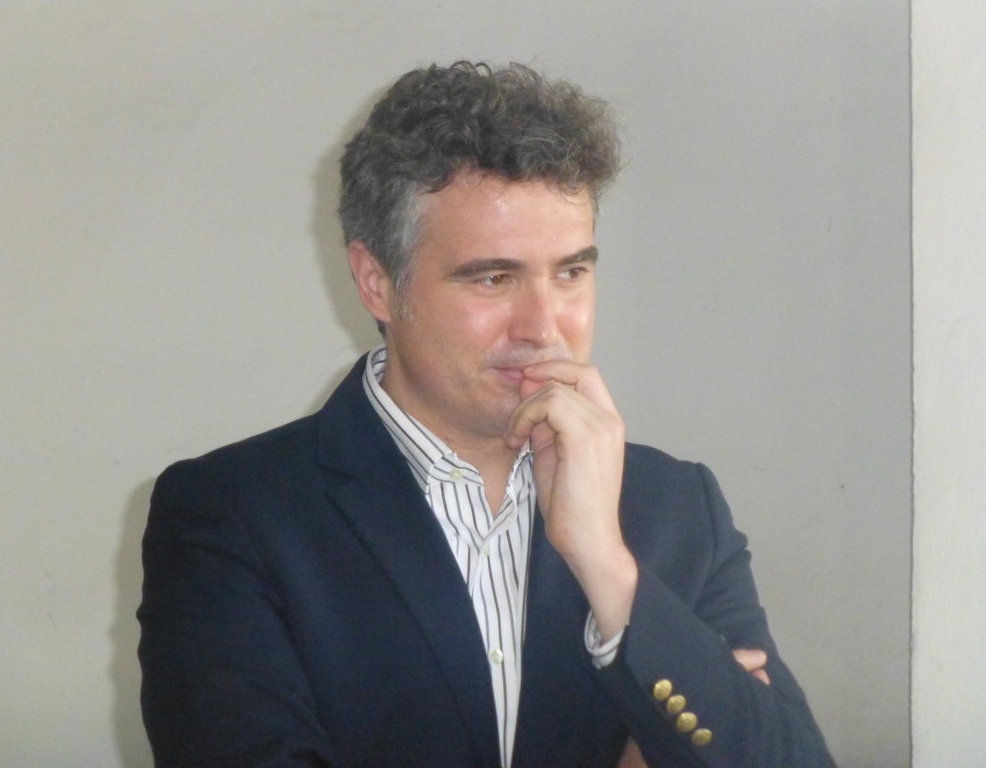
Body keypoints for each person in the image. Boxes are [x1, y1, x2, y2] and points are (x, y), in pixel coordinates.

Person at [138, 61, 835, 768]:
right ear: (377, 282)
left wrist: (607, 566)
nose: (544, 327)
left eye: (571, 272)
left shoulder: (676, 506)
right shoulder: (231, 512)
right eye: (494, 279)